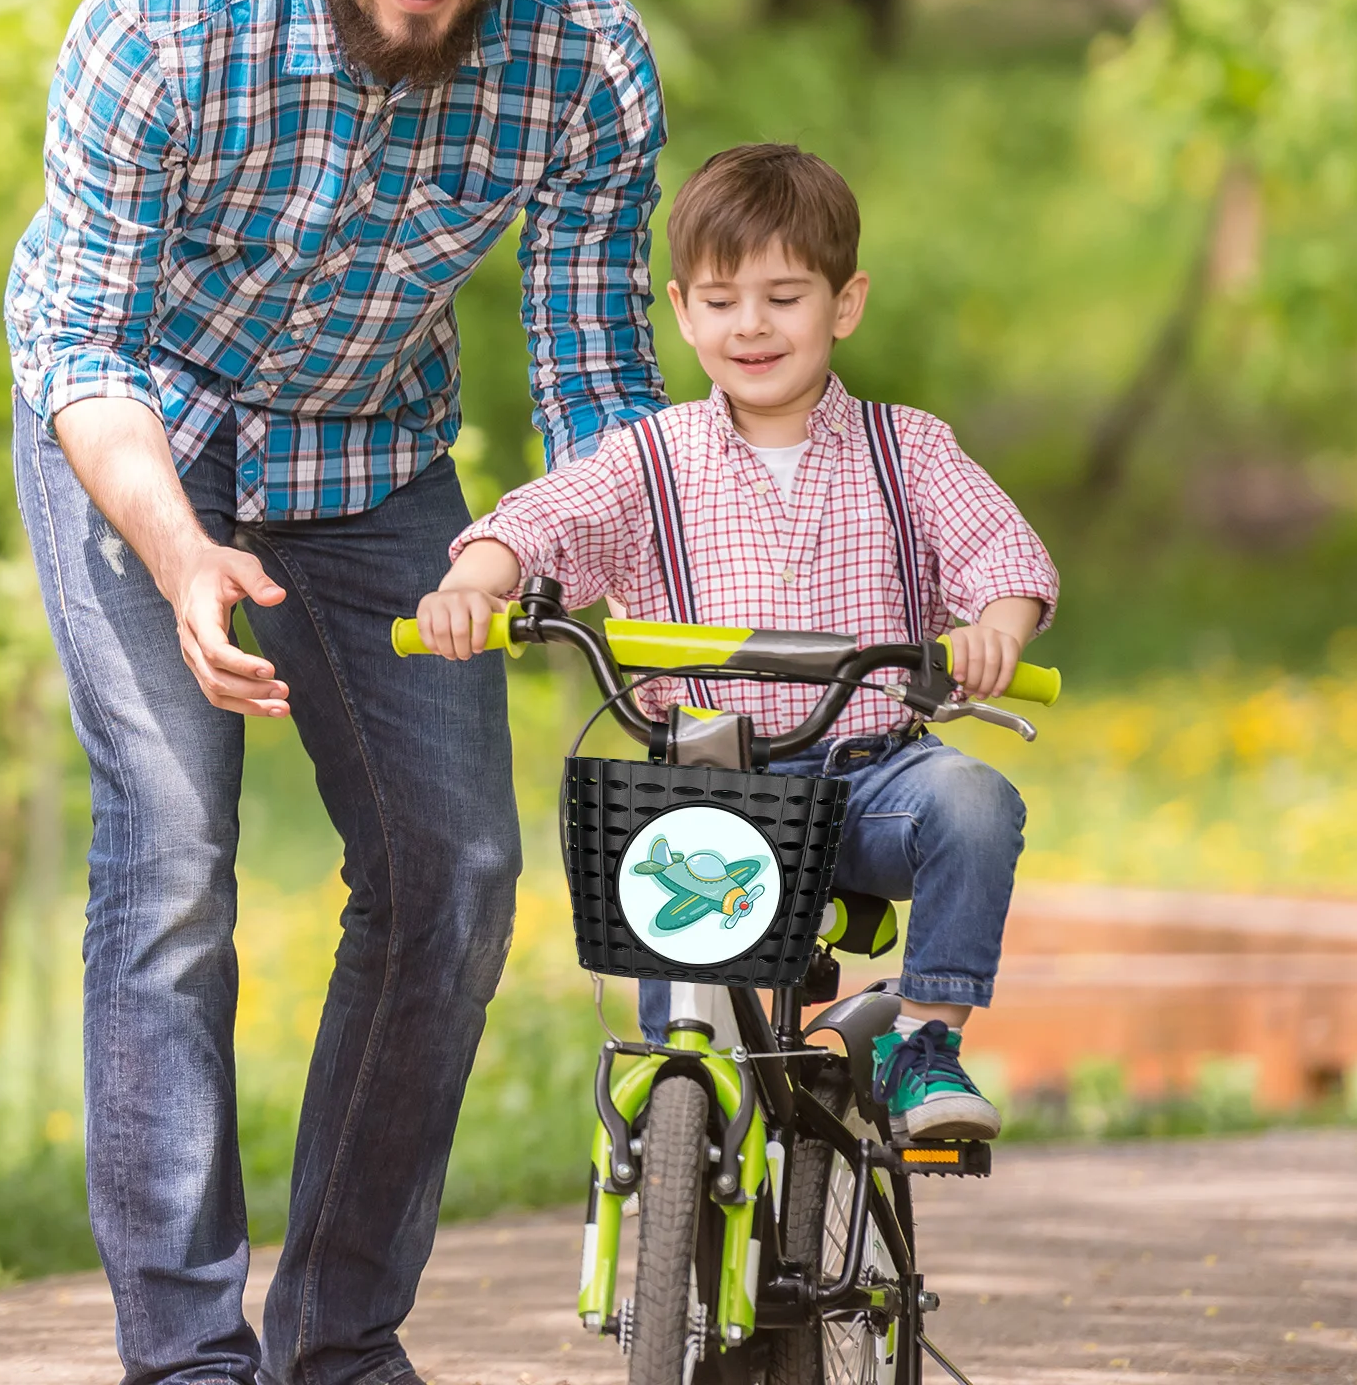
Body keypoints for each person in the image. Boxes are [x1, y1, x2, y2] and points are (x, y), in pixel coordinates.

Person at [4, 0, 669, 1381]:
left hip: (375, 453)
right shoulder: (162, 25)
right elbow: (81, 344)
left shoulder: (583, 60)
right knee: (170, 860)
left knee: (456, 876)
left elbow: (594, 378)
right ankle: (186, 1358)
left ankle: (340, 1343)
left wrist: (644, 590)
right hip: (142, 429)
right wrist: (178, 550)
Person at [418, 142, 1059, 1142]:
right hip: (707, 788)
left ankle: (922, 1043)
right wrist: (475, 582)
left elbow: (1002, 557)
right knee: (681, 1025)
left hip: (868, 780)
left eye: (783, 296)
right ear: (682, 311)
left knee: (974, 800)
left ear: (843, 305)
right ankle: (676, 1145)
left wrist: (993, 632)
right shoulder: (651, 458)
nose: (750, 325)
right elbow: (548, 517)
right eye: (721, 301)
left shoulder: (909, 449)